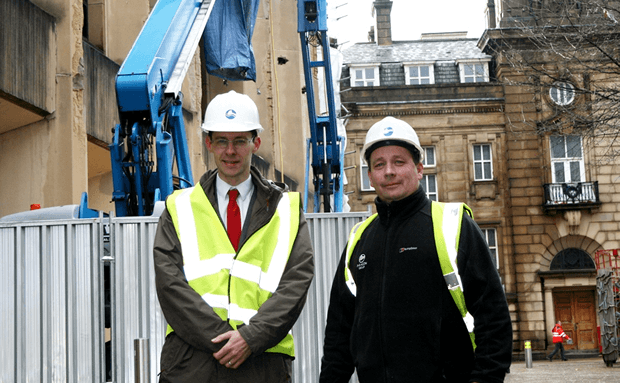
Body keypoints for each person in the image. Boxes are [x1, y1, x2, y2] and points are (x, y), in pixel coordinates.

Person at [319, 116, 513, 383]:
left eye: (399, 161)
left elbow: (494, 320)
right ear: (370, 176)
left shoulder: (453, 226)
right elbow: (339, 333)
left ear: (419, 168)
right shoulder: (359, 239)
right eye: (379, 164)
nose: (389, 171)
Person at [153, 90, 314, 382]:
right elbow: (169, 284)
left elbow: (296, 281)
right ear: (209, 144)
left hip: (261, 362)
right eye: (222, 141)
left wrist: (250, 338)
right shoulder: (179, 207)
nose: (230, 151)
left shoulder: (287, 209)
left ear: (256, 143)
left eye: (240, 140)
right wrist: (223, 340)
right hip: (193, 365)